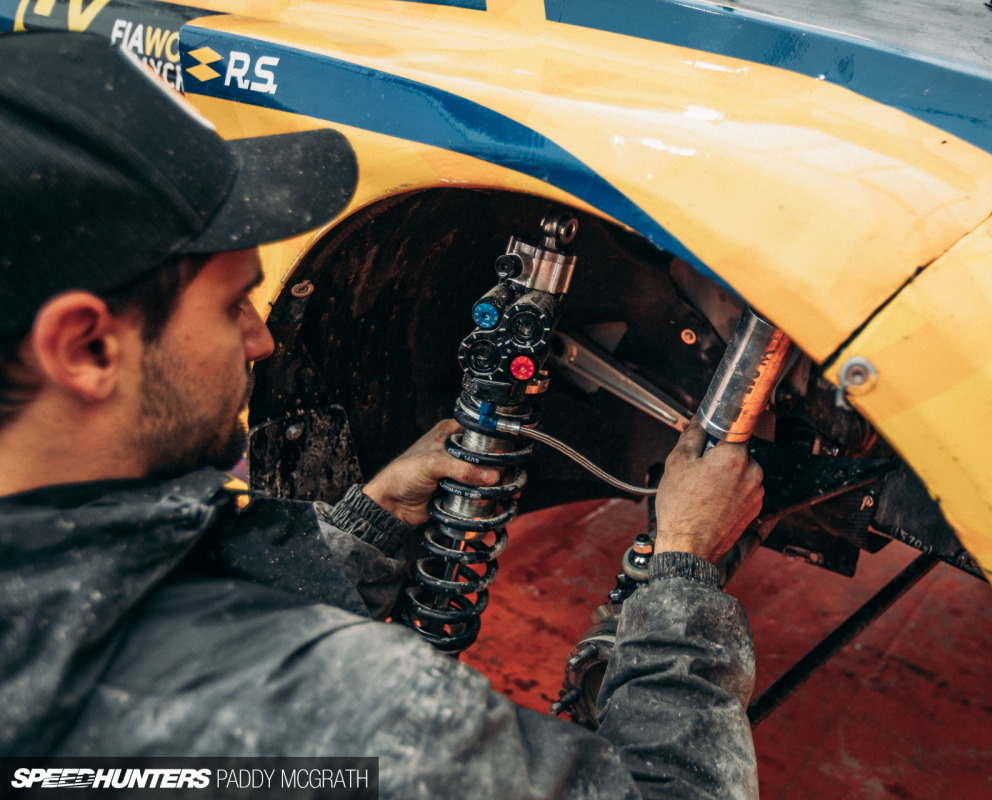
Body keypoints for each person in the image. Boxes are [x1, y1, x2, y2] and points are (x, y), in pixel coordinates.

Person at [0, 32, 764, 798]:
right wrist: (684, 572)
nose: (262, 339)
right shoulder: (358, 722)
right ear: (88, 346)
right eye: (233, 304)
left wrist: (367, 523)